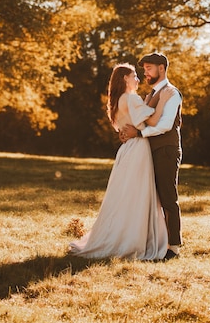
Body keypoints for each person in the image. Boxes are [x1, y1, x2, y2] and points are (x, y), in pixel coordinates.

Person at [69, 62, 173, 260]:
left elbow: (128, 124)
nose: (137, 79)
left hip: (126, 151)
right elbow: (151, 121)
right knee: (137, 194)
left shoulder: (118, 101)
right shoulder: (130, 98)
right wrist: (162, 102)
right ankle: (133, 239)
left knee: (125, 195)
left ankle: (120, 234)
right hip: (138, 150)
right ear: (125, 78)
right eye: (134, 75)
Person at [120, 52, 183, 261]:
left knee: (167, 196)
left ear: (161, 68)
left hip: (166, 150)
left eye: (149, 68)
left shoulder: (172, 93)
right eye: (144, 68)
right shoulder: (151, 95)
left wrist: (138, 133)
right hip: (149, 152)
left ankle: (174, 246)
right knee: (150, 198)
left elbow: (165, 125)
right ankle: (155, 241)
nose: (145, 72)